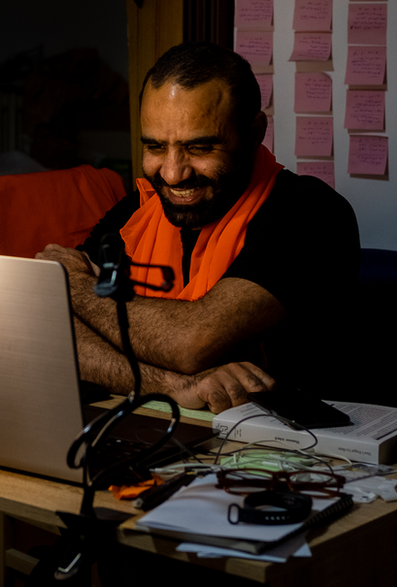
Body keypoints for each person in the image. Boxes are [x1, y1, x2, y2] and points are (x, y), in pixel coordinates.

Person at [38, 42, 360, 413]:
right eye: (156, 147)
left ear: (253, 133)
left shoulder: (309, 212)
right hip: (159, 420)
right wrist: (175, 385)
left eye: (200, 148)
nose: (172, 174)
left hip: (288, 437)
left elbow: (191, 344)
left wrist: (74, 287)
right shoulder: (139, 209)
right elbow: (47, 325)